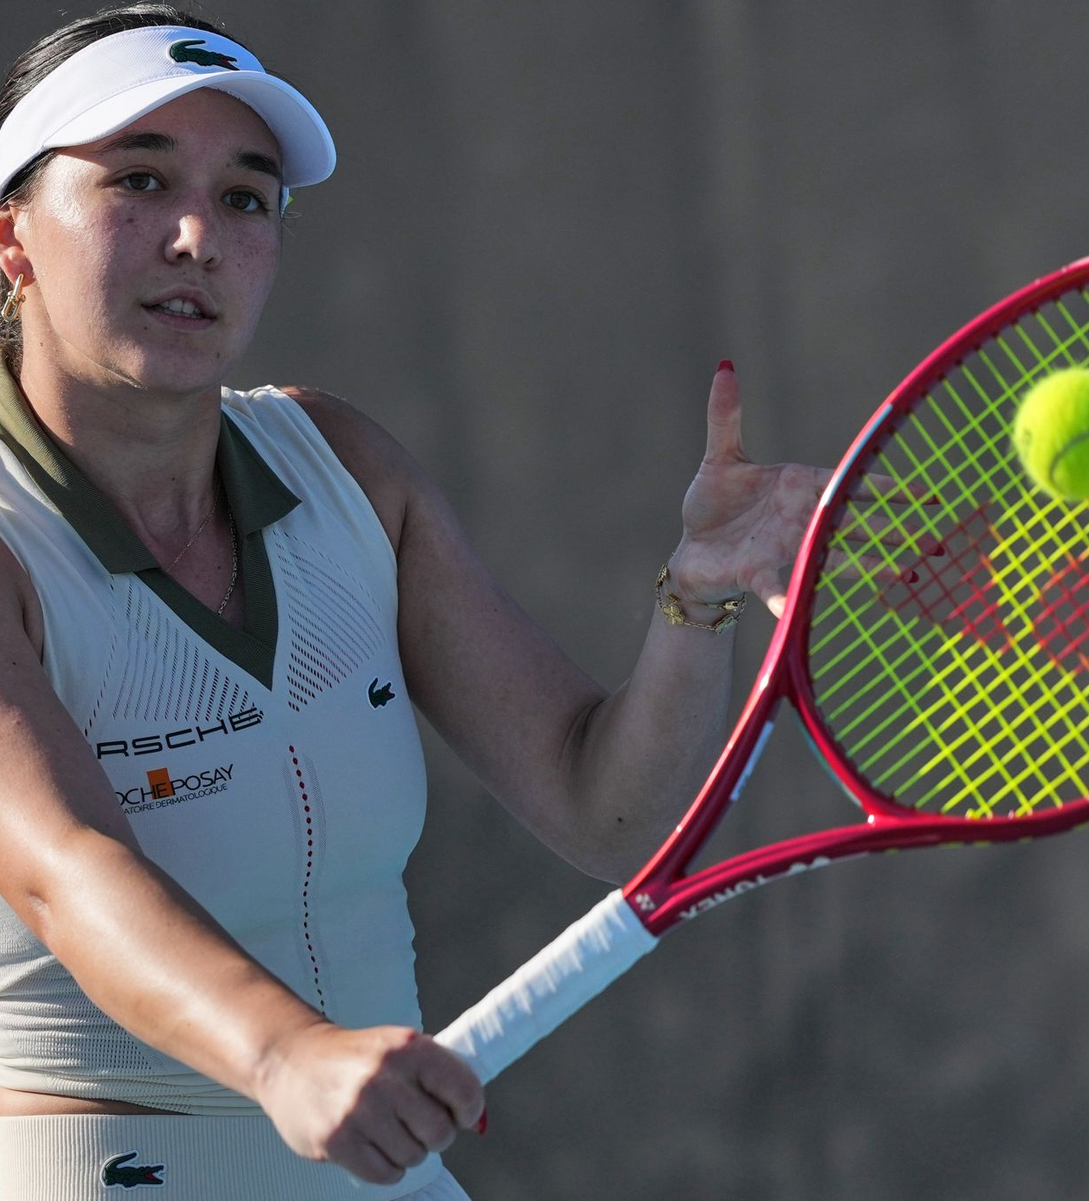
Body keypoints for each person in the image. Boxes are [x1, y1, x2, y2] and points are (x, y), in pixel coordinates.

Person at [0, 5, 831, 1199]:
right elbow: (64, 868)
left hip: (385, 1172)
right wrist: (287, 1056)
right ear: (13, 240)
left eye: (246, 197)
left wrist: (694, 599)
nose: (198, 236)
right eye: (139, 178)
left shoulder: (343, 465)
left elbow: (605, 814)